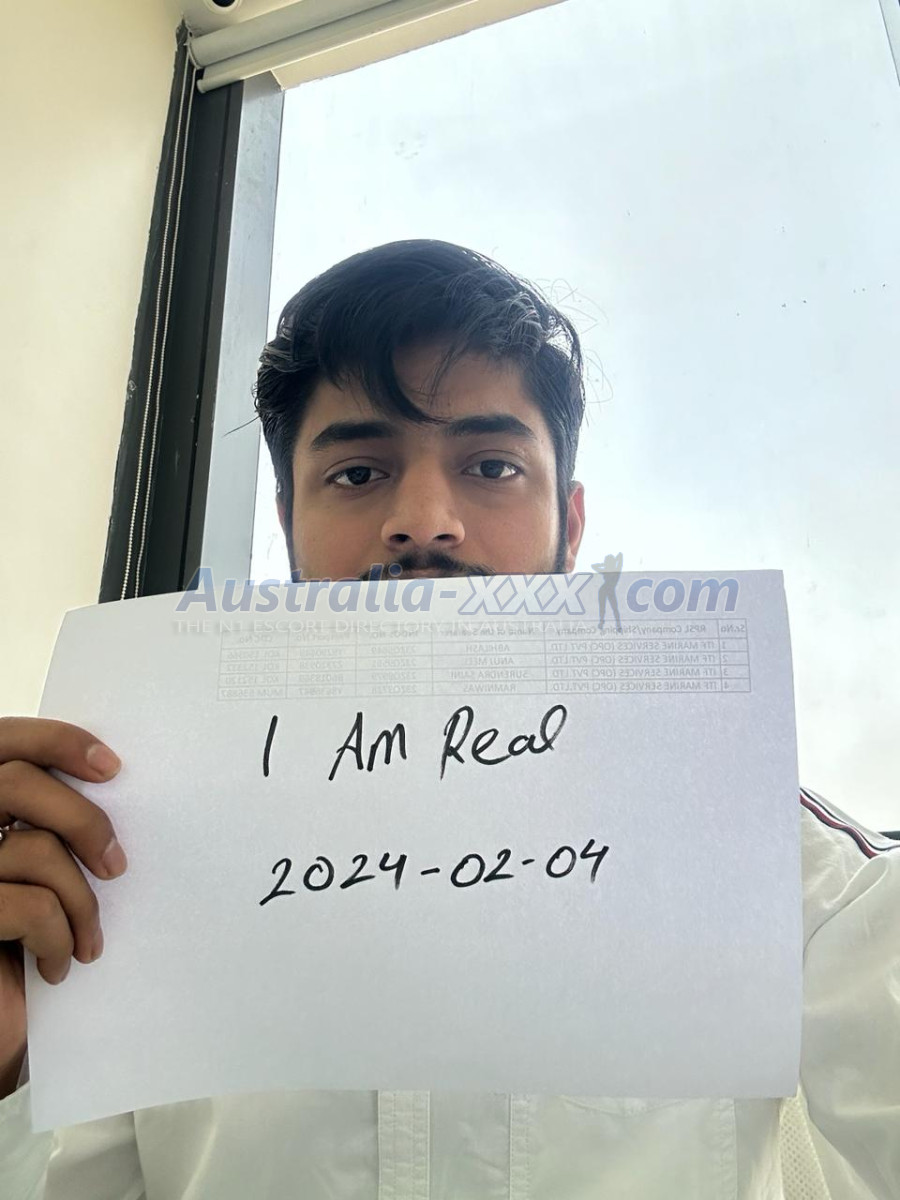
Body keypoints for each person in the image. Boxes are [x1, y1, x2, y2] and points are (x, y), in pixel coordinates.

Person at [1, 240, 897, 1198]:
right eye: (358, 473)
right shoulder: (126, 859)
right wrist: (10, 1064)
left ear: (571, 527)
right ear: (288, 524)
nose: (425, 520)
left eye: (492, 465)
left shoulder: (765, 853)